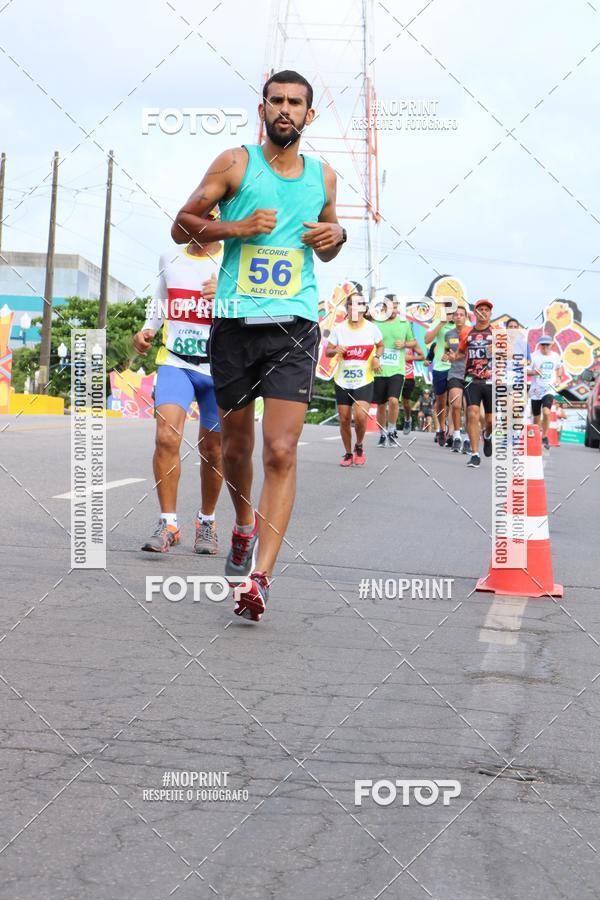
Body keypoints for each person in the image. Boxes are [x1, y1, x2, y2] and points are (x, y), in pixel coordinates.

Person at [171, 69, 346, 622]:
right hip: (235, 325)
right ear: (263, 109)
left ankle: (260, 577)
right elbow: (182, 226)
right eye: (276, 101)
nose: (285, 110)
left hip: (294, 325)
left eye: (295, 103)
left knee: (281, 450)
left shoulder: (324, 177)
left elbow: (328, 242)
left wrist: (337, 236)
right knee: (236, 449)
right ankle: (243, 525)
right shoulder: (234, 163)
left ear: (309, 115)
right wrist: (237, 228)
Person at [133, 233, 223, 554]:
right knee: (166, 437)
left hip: (220, 368)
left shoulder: (234, 259)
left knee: (213, 449)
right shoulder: (169, 257)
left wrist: (225, 296)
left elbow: (252, 310)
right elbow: (160, 299)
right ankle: (168, 523)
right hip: (176, 362)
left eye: (209, 214)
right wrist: (148, 329)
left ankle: (207, 521)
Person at [326, 293, 384, 465]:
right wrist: (336, 350)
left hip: (363, 380)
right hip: (342, 380)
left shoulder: (371, 328)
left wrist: (376, 357)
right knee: (344, 418)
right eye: (353, 303)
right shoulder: (339, 329)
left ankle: (359, 445)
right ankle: (348, 453)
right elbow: (328, 352)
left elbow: (380, 345)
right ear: (348, 307)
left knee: (360, 416)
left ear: (364, 308)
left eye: (360, 303)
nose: (356, 307)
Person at [453, 299, 495, 468]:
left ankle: (488, 435)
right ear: (475, 313)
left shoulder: (497, 332)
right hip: (471, 378)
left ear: (490, 313)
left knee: (490, 421)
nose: (483, 312)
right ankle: (475, 454)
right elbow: (460, 352)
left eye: (486, 310)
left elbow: (510, 353)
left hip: (491, 380)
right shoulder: (467, 332)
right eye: (480, 309)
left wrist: (499, 350)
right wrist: (451, 356)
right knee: (472, 414)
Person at [372, 294, 417, 446]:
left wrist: (405, 344)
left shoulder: (404, 323)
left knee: (393, 400)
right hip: (380, 369)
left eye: (396, 307)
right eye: (391, 307)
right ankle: (382, 434)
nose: (394, 310)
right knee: (381, 405)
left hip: (397, 369)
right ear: (384, 308)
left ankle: (391, 430)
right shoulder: (376, 323)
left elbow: (413, 342)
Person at [424, 306, 455, 446]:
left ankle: (452, 433)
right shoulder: (438, 321)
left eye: (453, 312)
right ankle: (441, 428)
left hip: (456, 368)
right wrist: (442, 323)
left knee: (454, 401)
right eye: (448, 312)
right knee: (441, 401)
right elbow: (427, 339)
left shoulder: (463, 322)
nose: (452, 315)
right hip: (440, 368)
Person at [442, 305, 469, 452]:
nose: (458, 317)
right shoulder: (448, 335)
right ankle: (457, 436)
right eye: (456, 315)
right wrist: (446, 356)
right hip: (454, 374)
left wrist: (457, 356)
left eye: (461, 315)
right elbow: (447, 351)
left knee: (470, 408)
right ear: (453, 317)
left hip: (470, 374)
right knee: (456, 405)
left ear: (466, 317)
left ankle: (469, 438)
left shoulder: (472, 333)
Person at [528, 335, 562, 449]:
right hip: (536, 390)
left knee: (547, 412)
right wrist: (534, 372)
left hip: (549, 389)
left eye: (547, 344)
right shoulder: (533, 356)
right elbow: (526, 371)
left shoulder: (555, 356)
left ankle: (545, 436)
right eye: (543, 344)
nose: (545, 347)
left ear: (551, 345)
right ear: (539, 345)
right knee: (536, 417)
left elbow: (559, 367)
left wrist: (559, 378)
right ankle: (536, 438)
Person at [401, 341, 424, 434]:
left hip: (408, 376)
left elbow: (422, 356)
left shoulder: (412, 343)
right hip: (394, 374)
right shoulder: (393, 339)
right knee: (392, 400)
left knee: (405, 402)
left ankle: (407, 419)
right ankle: (392, 428)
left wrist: (410, 357)